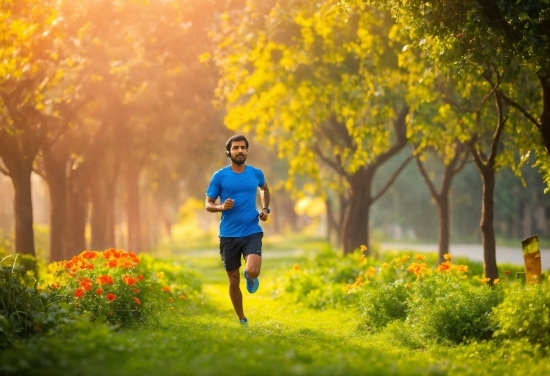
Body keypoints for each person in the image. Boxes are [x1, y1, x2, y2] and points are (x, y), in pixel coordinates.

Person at [205, 135, 270, 325]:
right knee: (233, 280)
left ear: (247, 151)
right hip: (228, 234)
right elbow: (208, 204)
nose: (239, 151)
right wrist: (221, 207)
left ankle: (250, 276)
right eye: (235, 148)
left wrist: (265, 209)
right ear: (228, 152)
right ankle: (242, 318)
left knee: (253, 270)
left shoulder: (256, 174)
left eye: (243, 147)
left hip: (251, 230)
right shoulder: (220, 176)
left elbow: (264, 189)